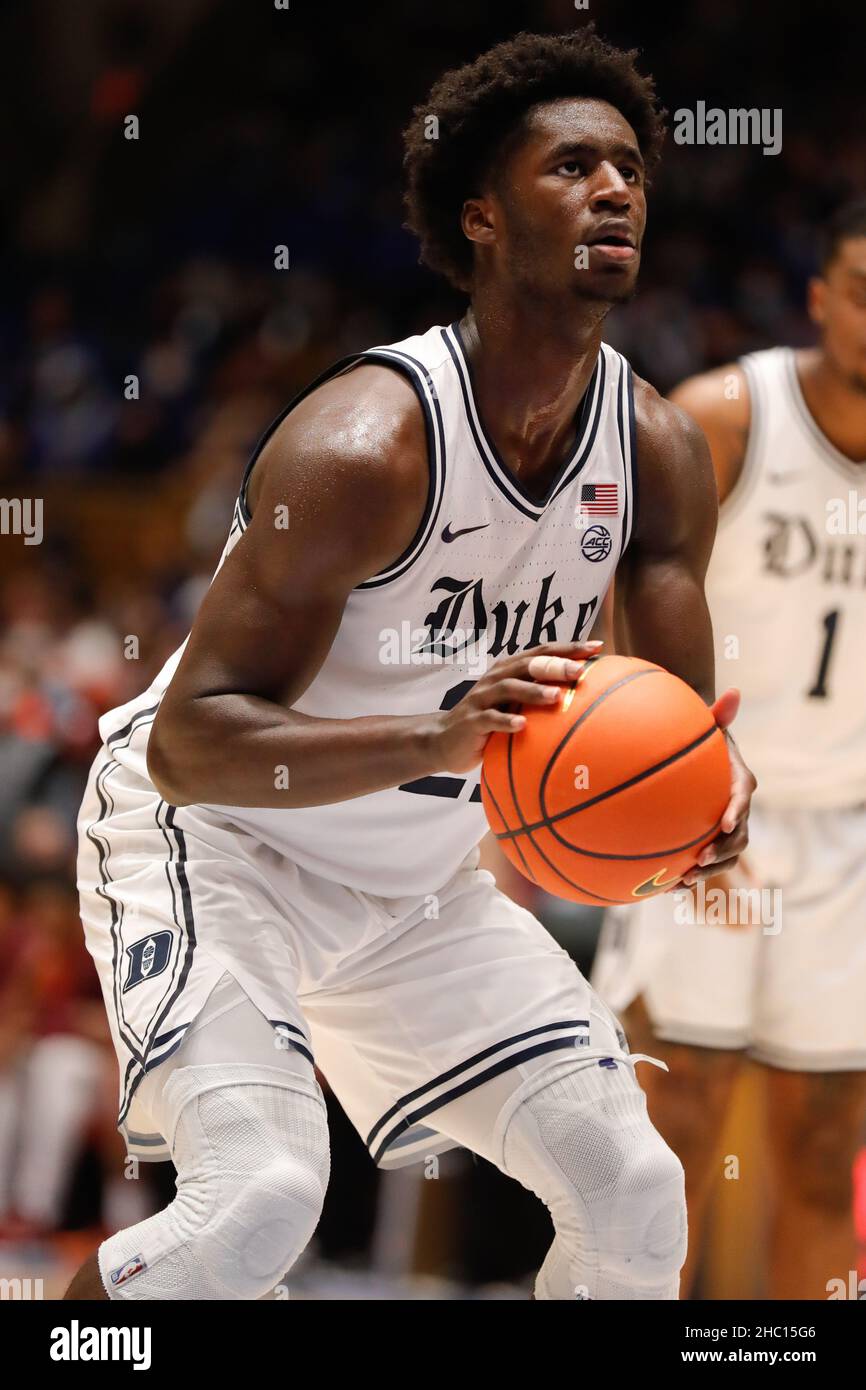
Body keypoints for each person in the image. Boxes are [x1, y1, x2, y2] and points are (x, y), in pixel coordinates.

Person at [66, 27, 754, 1302]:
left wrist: (706, 810)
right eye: (571, 167)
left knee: (635, 1193)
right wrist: (437, 745)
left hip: (416, 889)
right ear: (482, 218)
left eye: (629, 169)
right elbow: (192, 743)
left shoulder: (654, 455)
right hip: (216, 847)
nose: (614, 189)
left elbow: (668, 736)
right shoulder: (363, 445)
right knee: (256, 1202)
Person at [593, 198, 866, 1299]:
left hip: (848, 829)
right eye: (863, 292)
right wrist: (675, 800)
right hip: (704, 810)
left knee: (820, 1152)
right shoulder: (727, 415)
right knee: (669, 1128)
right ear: (818, 299)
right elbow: (622, 605)